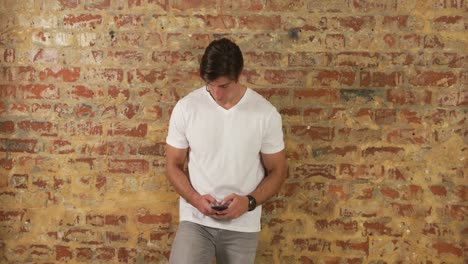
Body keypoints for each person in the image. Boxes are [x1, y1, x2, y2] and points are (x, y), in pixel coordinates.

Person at [165, 38, 286, 264]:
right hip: (196, 219)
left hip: (243, 223)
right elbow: (172, 165)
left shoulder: (265, 114)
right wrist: (195, 199)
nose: (217, 94)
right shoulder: (186, 108)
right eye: (210, 84)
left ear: (239, 75)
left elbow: (278, 170)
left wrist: (249, 202)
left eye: (224, 86)